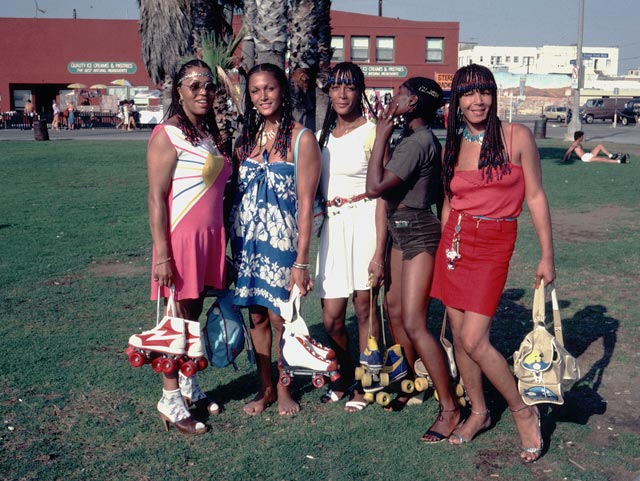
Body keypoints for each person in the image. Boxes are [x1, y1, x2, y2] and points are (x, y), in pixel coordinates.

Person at [431, 64, 555, 462]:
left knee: (473, 339)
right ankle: (480, 412)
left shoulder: (516, 136)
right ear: (458, 100)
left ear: (494, 95)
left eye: (484, 91)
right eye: (468, 93)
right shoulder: (454, 143)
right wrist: (445, 247)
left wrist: (546, 254)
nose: (477, 100)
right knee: (458, 330)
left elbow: (534, 196)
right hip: (455, 242)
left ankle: (523, 410)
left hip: (495, 241)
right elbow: (451, 199)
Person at [130, 59, 232, 435]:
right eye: (194, 86)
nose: (203, 91)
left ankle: (188, 385)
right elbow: (156, 197)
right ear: (179, 92)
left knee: (192, 318)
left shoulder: (205, 134)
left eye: (208, 85)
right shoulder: (167, 134)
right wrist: (162, 254)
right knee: (175, 321)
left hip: (209, 238)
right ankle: (169, 399)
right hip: (181, 239)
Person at [365, 77, 461, 442]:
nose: (393, 100)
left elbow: (376, 187)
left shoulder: (417, 142)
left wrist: (380, 135)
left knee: (415, 322)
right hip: (401, 231)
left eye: (401, 96)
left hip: (418, 233)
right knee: (394, 310)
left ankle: (450, 408)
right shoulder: (413, 139)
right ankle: (406, 383)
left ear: (416, 104)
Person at [229, 63, 322, 416]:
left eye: (269, 88)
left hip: (282, 245)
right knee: (256, 318)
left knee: (282, 318)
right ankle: (264, 388)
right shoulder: (246, 141)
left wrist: (301, 260)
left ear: (282, 91)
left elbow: (306, 205)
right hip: (247, 244)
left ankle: (285, 389)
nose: (263, 96)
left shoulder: (302, 138)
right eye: (255, 91)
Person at [314, 62, 385, 412]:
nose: (342, 94)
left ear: (361, 92)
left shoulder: (372, 131)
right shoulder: (321, 136)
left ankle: (367, 382)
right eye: (336, 86)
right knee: (331, 315)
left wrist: (380, 252)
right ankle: (341, 376)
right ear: (328, 91)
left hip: (366, 220)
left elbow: (383, 194)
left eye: (350, 86)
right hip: (333, 224)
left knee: (364, 306)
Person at [562, 131, 628, 164]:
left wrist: (568, 158)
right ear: (579, 137)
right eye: (582, 136)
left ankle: (611, 156)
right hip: (585, 158)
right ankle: (620, 161)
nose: (583, 138)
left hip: (587, 155)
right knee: (602, 159)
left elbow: (571, 152)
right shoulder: (575, 143)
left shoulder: (578, 143)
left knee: (599, 146)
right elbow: (569, 151)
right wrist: (564, 160)